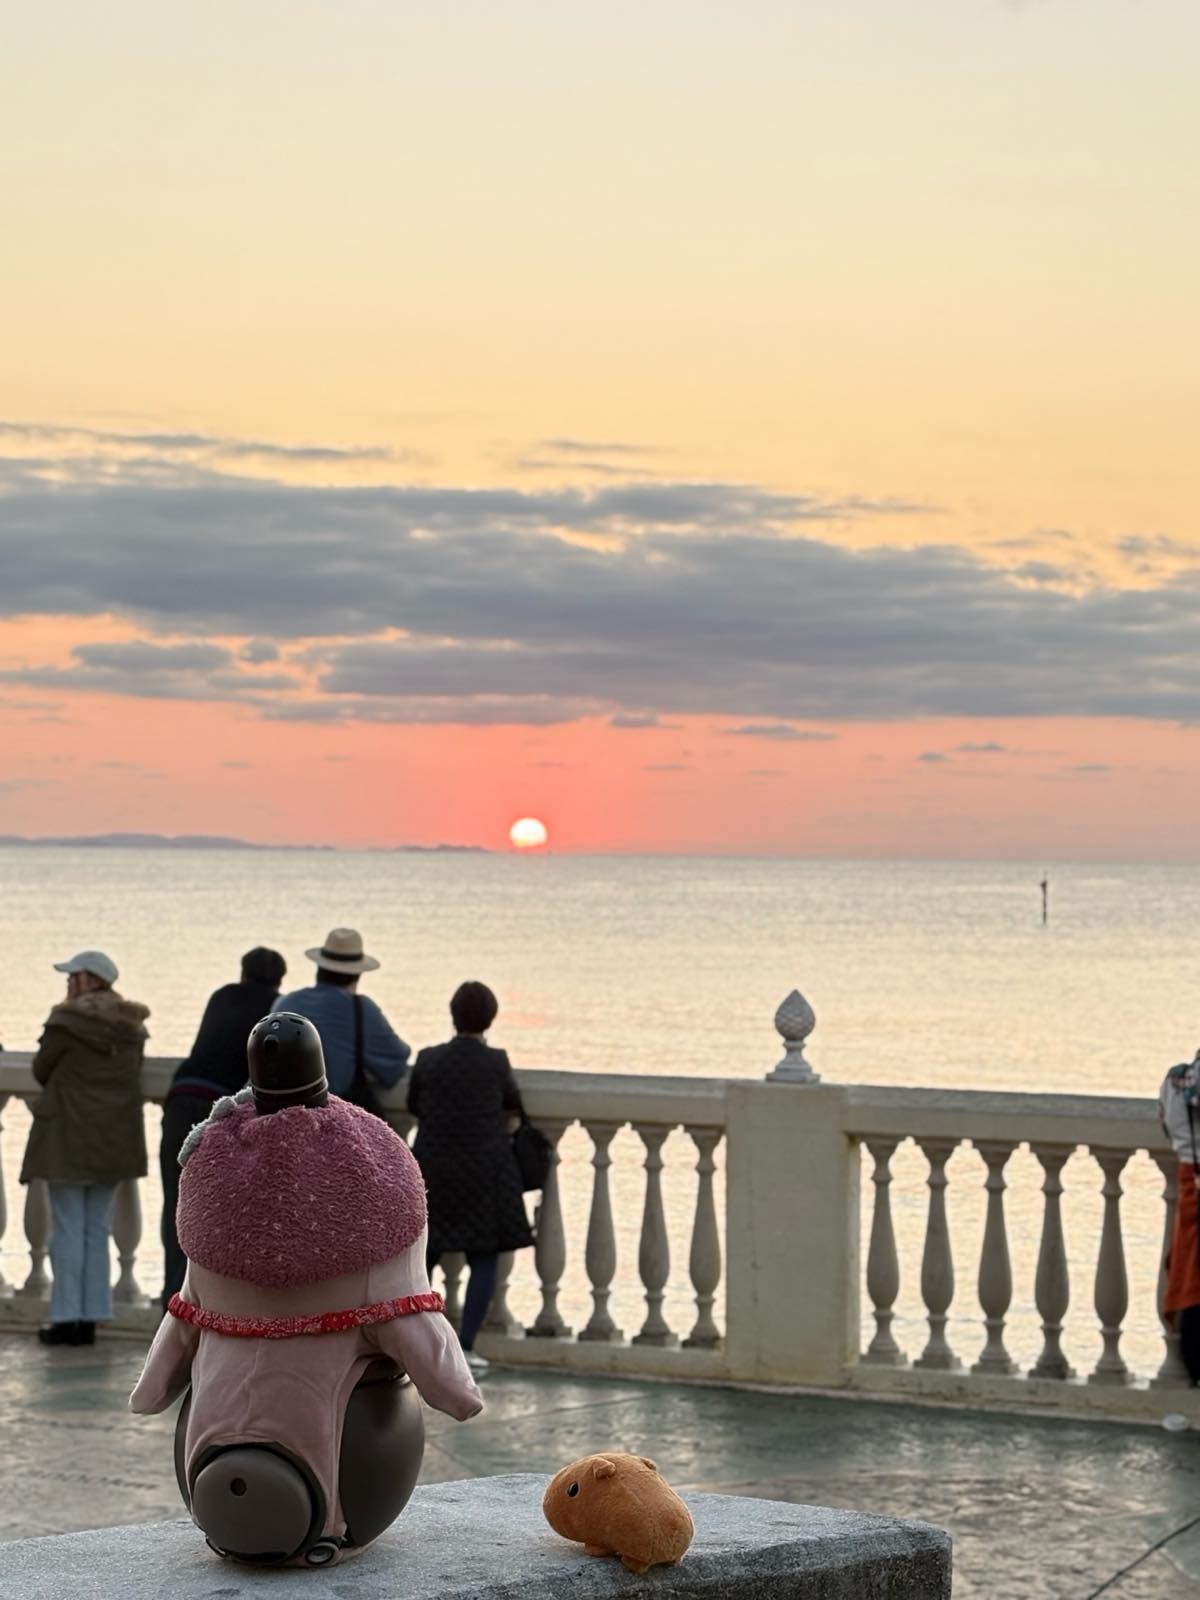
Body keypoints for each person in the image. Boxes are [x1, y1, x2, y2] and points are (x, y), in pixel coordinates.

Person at [19, 950, 149, 1346]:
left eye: (73, 975)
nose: (67, 982)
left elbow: (41, 1069)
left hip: (67, 1137)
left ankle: (66, 1318)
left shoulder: (65, 1024)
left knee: (67, 1229)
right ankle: (92, 1316)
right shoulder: (131, 1027)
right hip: (113, 1138)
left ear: (91, 980)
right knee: (97, 1229)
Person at [406, 981, 534, 1371]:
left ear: (453, 1015)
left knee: (423, 1258)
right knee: (484, 1256)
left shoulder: (428, 1059)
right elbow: (513, 1103)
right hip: (483, 1168)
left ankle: (420, 1343)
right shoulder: (495, 1061)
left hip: (433, 1166)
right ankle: (467, 1346)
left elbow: (413, 1105)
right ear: (490, 1019)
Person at [159, 946, 287, 1309]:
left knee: (176, 1204)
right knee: (218, 1212)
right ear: (279, 980)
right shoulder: (277, 1009)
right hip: (219, 1110)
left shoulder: (222, 996)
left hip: (182, 1095)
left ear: (243, 972)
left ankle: (171, 1301)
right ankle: (207, 1304)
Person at [272, 927, 410, 1101]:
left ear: (319, 968)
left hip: (284, 1105)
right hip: (334, 1107)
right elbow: (396, 1059)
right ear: (357, 974)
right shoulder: (361, 1008)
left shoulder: (285, 1003)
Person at [1159, 1049, 1200, 1380]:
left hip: (1190, 1180)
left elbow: (1168, 1129)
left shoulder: (1174, 1080)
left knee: (1189, 1266)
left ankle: (1192, 1352)